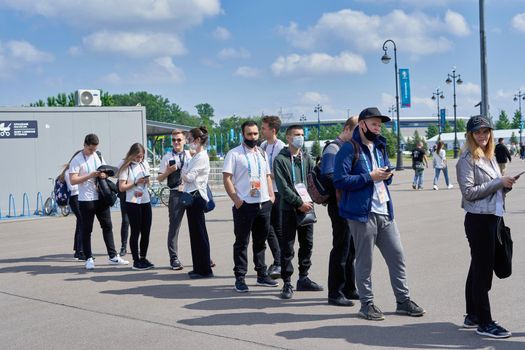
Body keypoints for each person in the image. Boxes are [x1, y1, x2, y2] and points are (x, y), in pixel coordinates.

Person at [333, 107, 425, 321]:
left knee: (397, 256)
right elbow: (339, 180)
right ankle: (367, 304)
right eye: (374, 124)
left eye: (379, 124)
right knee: (365, 261)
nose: (377, 127)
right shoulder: (349, 148)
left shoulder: (380, 147)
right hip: (361, 214)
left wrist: (386, 175)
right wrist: (369, 177)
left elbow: (385, 180)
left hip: (384, 211)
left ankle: (403, 300)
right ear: (362, 124)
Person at [456, 115, 515, 338]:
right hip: (479, 220)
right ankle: (485, 322)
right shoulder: (466, 159)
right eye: (477, 132)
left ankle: (473, 315)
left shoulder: (488, 156)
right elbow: (469, 193)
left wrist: (505, 185)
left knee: (478, 268)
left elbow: (492, 188)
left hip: (493, 217)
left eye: (486, 131)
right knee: (483, 272)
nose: (482, 135)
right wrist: (498, 182)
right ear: (470, 135)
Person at [223, 120, 278, 292]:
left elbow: (268, 176)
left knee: (260, 242)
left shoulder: (261, 152)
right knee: (241, 243)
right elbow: (227, 178)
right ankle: (240, 277)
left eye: (255, 133)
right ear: (243, 135)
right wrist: (236, 199)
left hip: (263, 204)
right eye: (249, 134)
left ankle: (261, 274)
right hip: (245, 205)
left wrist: (271, 196)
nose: (253, 137)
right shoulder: (234, 154)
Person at [273, 124, 323, 299]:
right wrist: (298, 202)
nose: (300, 137)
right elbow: (283, 187)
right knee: (287, 246)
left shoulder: (306, 157)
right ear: (288, 138)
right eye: (296, 134)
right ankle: (287, 282)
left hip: (307, 208)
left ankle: (304, 278)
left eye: (301, 134)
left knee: (307, 244)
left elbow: (312, 181)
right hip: (289, 209)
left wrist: (313, 199)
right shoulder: (281, 160)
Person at [69, 134, 129, 270]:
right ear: (84, 145)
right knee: (87, 229)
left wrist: (104, 174)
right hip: (86, 199)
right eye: (90, 149)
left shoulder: (98, 155)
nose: (92, 152)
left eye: (95, 149)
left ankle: (113, 256)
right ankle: (88, 258)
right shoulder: (77, 160)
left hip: (101, 196)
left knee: (107, 226)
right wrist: (89, 175)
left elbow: (107, 170)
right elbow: (73, 180)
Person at [321, 116, 359, 307]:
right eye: (357, 131)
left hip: (349, 203)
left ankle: (349, 288)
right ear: (347, 129)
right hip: (339, 204)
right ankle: (335, 292)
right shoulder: (333, 148)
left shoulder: (349, 148)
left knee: (351, 248)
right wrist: (348, 184)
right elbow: (328, 174)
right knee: (341, 247)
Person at [181, 126, 213, 279]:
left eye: (190, 139)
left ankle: (205, 269)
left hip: (197, 197)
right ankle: (198, 267)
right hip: (191, 196)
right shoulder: (195, 156)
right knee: (194, 234)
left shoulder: (201, 157)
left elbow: (189, 177)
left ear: (198, 140)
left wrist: (182, 171)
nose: (188, 142)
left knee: (199, 234)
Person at [158, 129, 191, 270]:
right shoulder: (167, 156)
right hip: (175, 194)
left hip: (191, 192)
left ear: (184, 140)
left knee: (196, 226)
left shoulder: (190, 155)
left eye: (179, 139)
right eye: (173, 140)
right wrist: (168, 171)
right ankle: (174, 258)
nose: (176, 142)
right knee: (174, 227)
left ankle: (203, 256)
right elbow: (159, 178)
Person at [118, 143, 154, 271]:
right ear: (132, 154)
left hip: (145, 200)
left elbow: (148, 182)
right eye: (138, 156)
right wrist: (135, 182)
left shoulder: (144, 164)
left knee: (146, 231)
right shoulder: (125, 167)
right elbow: (121, 187)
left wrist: (147, 181)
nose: (139, 159)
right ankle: (136, 260)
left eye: (142, 156)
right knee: (135, 231)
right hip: (132, 202)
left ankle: (143, 257)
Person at [260, 115, 286, 279]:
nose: (261, 130)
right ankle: (279, 260)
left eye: (263, 128)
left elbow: (280, 173)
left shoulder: (281, 147)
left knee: (277, 228)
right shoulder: (263, 145)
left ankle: (280, 262)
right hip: (265, 192)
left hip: (278, 192)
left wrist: (266, 175)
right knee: (268, 227)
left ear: (273, 130)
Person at [62, 150, 83, 260]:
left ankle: (78, 249)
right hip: (75, 198)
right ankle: (79, 251)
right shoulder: (69, 171)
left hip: (80, 198)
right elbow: (73, 187)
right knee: (82, 223)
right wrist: (83, 179)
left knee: (80, 224)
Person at [116, 162, 130, 257]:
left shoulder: (142, 163)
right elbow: (115, 173)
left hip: (136, 196)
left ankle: (135, 245)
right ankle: (123, 246)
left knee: (137, 223)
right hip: (124, 196)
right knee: (125, 221)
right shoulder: (123, 162)